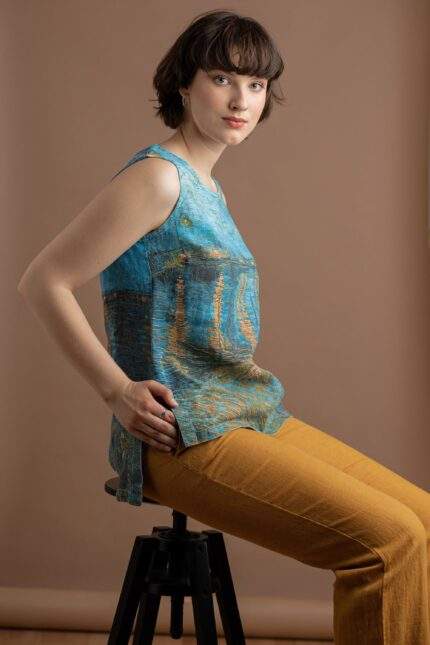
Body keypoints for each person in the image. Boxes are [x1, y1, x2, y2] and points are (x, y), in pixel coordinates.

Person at [17, 9, 430, 644]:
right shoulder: (158, 178)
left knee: (422, 520)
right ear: (184, 85)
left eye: (256, 85)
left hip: (247, 412)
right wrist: (116, 391)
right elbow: (43, 280)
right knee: (388, 541)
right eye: (222, 79)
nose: (242, 101)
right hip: (184, 435)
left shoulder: (208, 186)